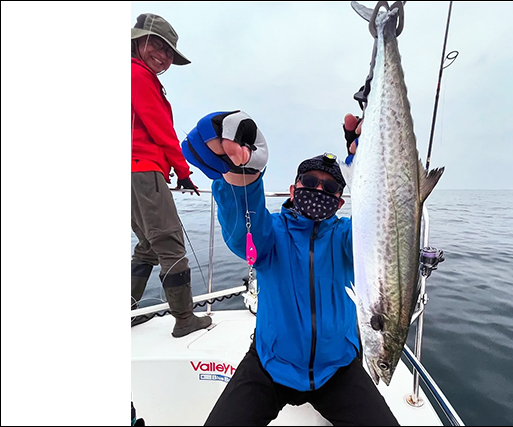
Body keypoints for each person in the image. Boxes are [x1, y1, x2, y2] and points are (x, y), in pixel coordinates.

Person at [180, 111, 399, 426]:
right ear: (294, 190)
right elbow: (244, 234)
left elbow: (384, 234)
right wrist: (243, 172)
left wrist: (374, 166)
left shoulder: (347, 237)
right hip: (270, 365)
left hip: (338, 368)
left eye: (330, 188)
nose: (319, 190)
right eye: (310, 183)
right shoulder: (271, 233)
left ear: (340, 203)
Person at [130, 13, 211, 337]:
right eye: (158, 47)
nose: (163, 58)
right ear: (138, 40)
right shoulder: (138, 75)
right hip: (142, 169)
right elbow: (161, 131)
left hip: (132, 172)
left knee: (148, 246)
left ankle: (128, 308)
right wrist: (183, 170)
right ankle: (185, 319)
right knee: (169, 244)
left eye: (169, 54)